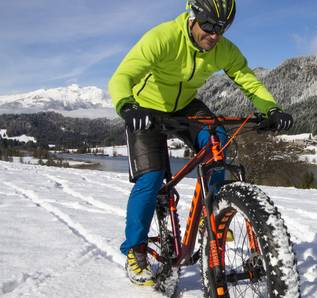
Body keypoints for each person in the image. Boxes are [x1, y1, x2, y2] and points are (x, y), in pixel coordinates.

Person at [108, 0, 293, 286]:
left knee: (216, 145)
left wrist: (270, 108)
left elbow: (247, 79)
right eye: (209, 26)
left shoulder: (223, 50)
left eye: (222, 28)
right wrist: (127, 106)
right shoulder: (164, 37)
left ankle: (212, 213)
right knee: (151, 178)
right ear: (193, 16)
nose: (215, 35)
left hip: (184, 106)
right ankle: (136, 250)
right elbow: (122, 76)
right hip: (147, 108)